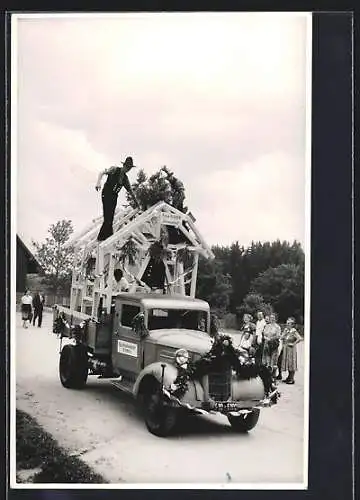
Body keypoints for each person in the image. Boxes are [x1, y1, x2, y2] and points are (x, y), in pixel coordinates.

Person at [95, 156, 139, 241]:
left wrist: (137, 203)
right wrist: (98, 183)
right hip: (106, 193)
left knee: (110, 219)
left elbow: (131, 191)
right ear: (124, 165)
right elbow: (101, 173)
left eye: (129, 168)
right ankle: (103, 238)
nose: (128, 169)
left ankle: (106, 238)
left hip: (114, 196)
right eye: (127, 167)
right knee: (107, 217)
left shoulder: (125, 179)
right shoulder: (114, 169)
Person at [280, 317, 302, 384]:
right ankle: (289, 377)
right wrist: (284, 332)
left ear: (292, 324)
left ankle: (292, 379)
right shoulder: (286, 330)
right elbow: (281, 337)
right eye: (287, 323)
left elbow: (299, 338)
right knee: (288, 363)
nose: (287, 324)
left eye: (289, 323)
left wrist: (293, 343)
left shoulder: (293, 331)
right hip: (286, 348)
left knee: (291, 363)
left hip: (291, 349)